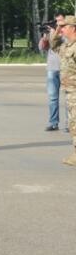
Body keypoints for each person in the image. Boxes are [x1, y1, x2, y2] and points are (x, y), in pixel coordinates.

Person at [52, 17, 76, 166]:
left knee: (74, 123)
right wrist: (57, 28)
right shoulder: (66, 47)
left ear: (73, 28)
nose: (61, 30)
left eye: (64, 27)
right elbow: (53, 45)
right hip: (70, 92)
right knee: (73, 123)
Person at [41, 13, 66, 131]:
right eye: (56, 22)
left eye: (60, 21)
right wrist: (46, 37)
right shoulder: (51, 33)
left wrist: (58, 32)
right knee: (52, 98)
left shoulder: (68, 32)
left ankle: (69, 124)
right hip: (52, 68)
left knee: (69, 97)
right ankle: (53, 122)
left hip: (66, 68)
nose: (58, 24)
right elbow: (42, 47)